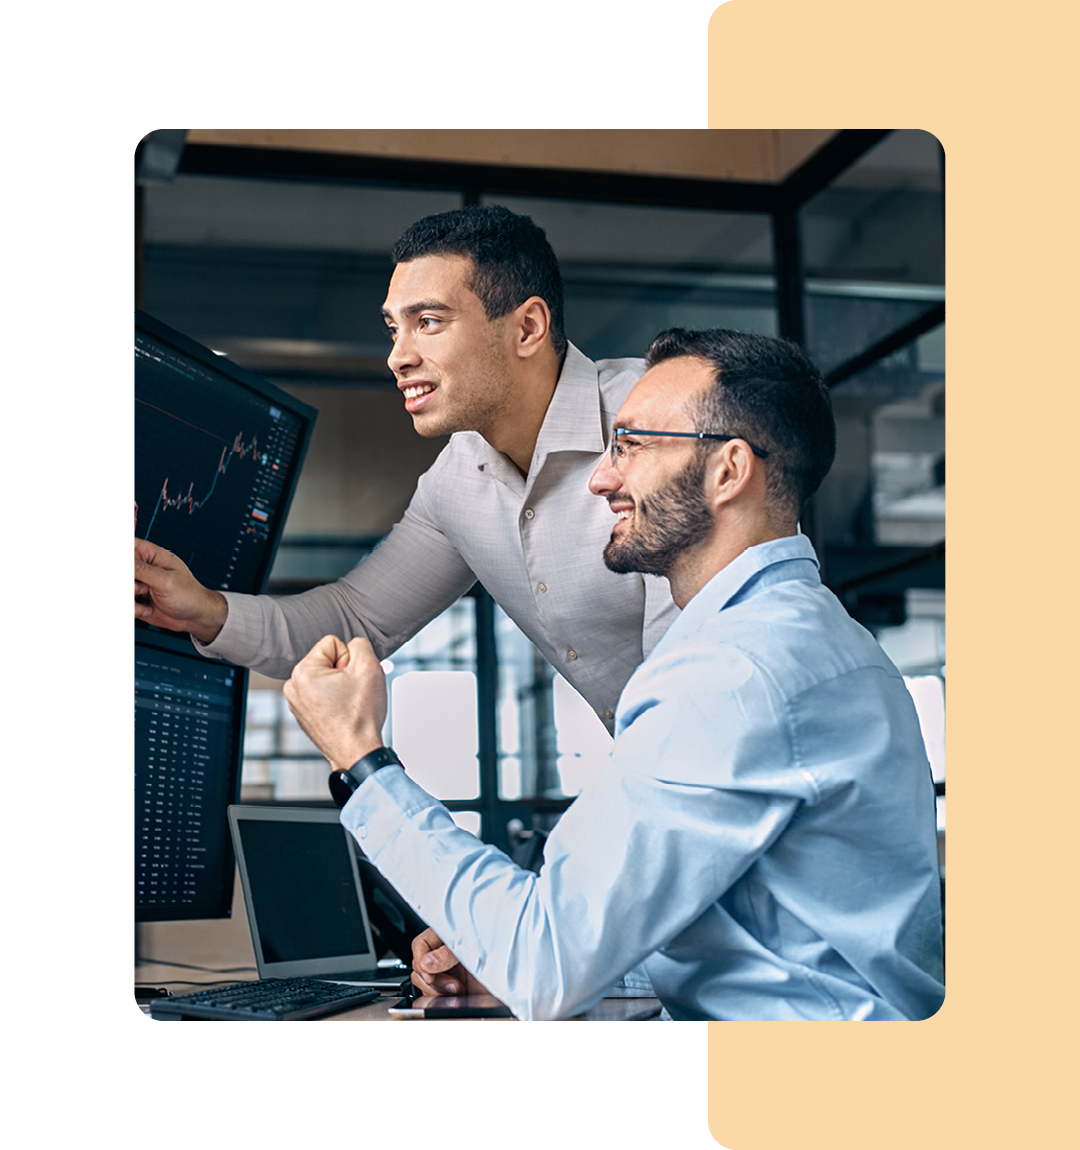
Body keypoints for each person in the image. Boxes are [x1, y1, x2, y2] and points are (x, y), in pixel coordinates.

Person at [283, 327, 947, 1022]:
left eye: (629, 446)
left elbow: (544, 961)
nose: (601, 478)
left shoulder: (736, 671)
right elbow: (769, 954)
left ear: (728, 470)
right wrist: (570, 971)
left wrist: (361, 760)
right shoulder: (822, 639)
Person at [133, 204, 677, 735]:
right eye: (395, 328)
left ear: (528, 328)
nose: (397, 356)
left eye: (429, 322)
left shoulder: (663, 423)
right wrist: (201, 610)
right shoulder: (455, 482)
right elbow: (354, 621)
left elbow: (686, 677)